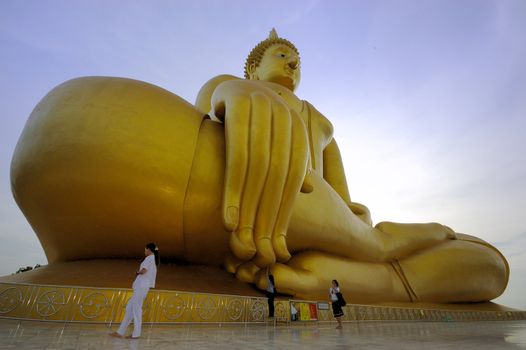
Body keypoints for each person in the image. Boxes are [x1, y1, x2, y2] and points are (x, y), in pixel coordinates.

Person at [12, 29, 509, 303]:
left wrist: (357, 237)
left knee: (488, 265)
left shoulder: (321, 125)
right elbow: (204, 106)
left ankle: (363, 267)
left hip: (310, 234)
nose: (291, 64)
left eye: (297, 60)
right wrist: (230, 90)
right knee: (78, 116)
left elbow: (341, 201)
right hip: (227, 208)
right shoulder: (233, 88)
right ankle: (370, 254)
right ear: (254, 66)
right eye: (281, 55)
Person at [110, 243, 159, 339]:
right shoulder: (154, 259)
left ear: (149, 249)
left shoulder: (149, 258)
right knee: (129, 309)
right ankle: (120, 332)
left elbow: (144, 270)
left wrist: (137, 272)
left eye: (145, 250)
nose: (144, 251)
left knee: (136, 310)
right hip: (143, 287)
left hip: (141, 286)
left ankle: (136, 334)